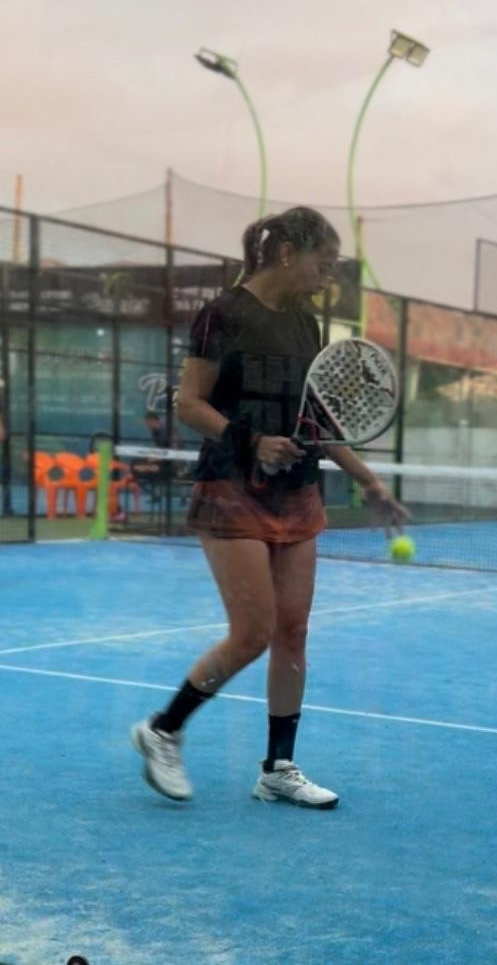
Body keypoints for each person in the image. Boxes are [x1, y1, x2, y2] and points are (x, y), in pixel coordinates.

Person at [131, 207, 408, 809]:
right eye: (323, 263)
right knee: (253, 633)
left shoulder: (307, 325)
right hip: (231, 487)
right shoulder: (222, 314)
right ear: (288, 253)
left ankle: (278, 768)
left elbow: (318, 420)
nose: (327, 276)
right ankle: (163, 730)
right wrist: (253, 441)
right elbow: (189, 402)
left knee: (292, 631)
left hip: (297, 491)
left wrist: (369, 481)